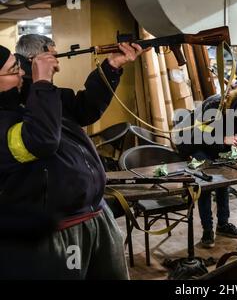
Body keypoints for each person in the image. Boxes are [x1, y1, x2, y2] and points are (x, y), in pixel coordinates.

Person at [0, 40, 144, 279]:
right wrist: (42, 83)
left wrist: (111, 67)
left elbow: (83, 109)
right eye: (14, 70)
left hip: (96, 215)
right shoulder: (30, 99)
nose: (23, 72)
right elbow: (42, 141)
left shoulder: (31, 93)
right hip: (55, 233)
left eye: (19, 65)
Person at [175, 85, 237, 248]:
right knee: (206, 184)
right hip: (194, 144)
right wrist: (224, 140)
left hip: (216, 144)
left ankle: (223, 224)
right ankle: (207, 230)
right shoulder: (214, 107)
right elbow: (198, 135)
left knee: (223, 181)